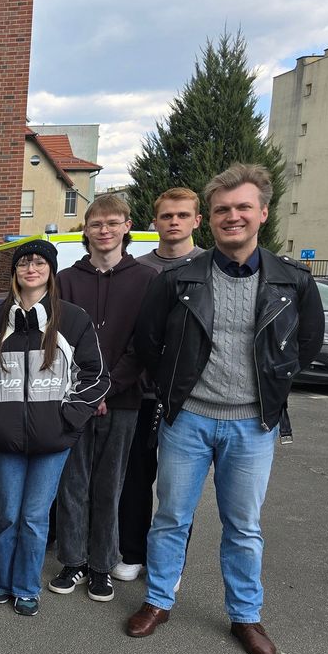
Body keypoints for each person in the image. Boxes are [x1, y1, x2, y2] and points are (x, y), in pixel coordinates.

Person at [127, 164, 324, 654]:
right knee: (171, 516)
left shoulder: (293, 281)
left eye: (241, 208)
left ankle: (244, 614)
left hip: (253, 425)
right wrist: (175, 390)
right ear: (209, 220)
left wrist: (272, 391)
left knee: (244, 525)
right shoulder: (178, 279)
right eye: (221, 210)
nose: (231, 217)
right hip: (187, 420)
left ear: (262, 213)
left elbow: (304, 344)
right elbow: (150, 341)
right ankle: (158, 600)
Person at [0, 240, 108, 617]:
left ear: (50, 270)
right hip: (6, 440)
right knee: (8, 515)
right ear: (15, 271)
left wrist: (68, 419)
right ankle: (1, 582)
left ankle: (25, 587)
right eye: (23, 263)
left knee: (35, 519)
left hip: (52, 442)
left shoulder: (71, 318)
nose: (31, 268)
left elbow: (96, 375)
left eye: (39, 262)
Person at [50, 194, 155, 603]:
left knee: (111, 485)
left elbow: (144, 343)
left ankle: (101, 565)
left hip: (124, 400)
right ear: (86, 230)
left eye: (113, 222)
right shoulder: (66, 280)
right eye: (96, 224)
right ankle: (72, 561)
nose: (104, 230)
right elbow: (59, 342)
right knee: (72, 483)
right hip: (73, 400)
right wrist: (84, 392)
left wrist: (107, 389)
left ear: (127, 226)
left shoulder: (146, 279)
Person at [115, 188, 206, 582]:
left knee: (177, 488)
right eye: (167, 215)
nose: (174, 222)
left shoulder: (209, 266)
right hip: (142, 391)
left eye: (182, 215)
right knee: (135, 476)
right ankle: (132, 552)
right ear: (155, 221)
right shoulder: (139, 268)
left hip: (189, 397)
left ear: (196, 221)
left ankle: (168, 563)